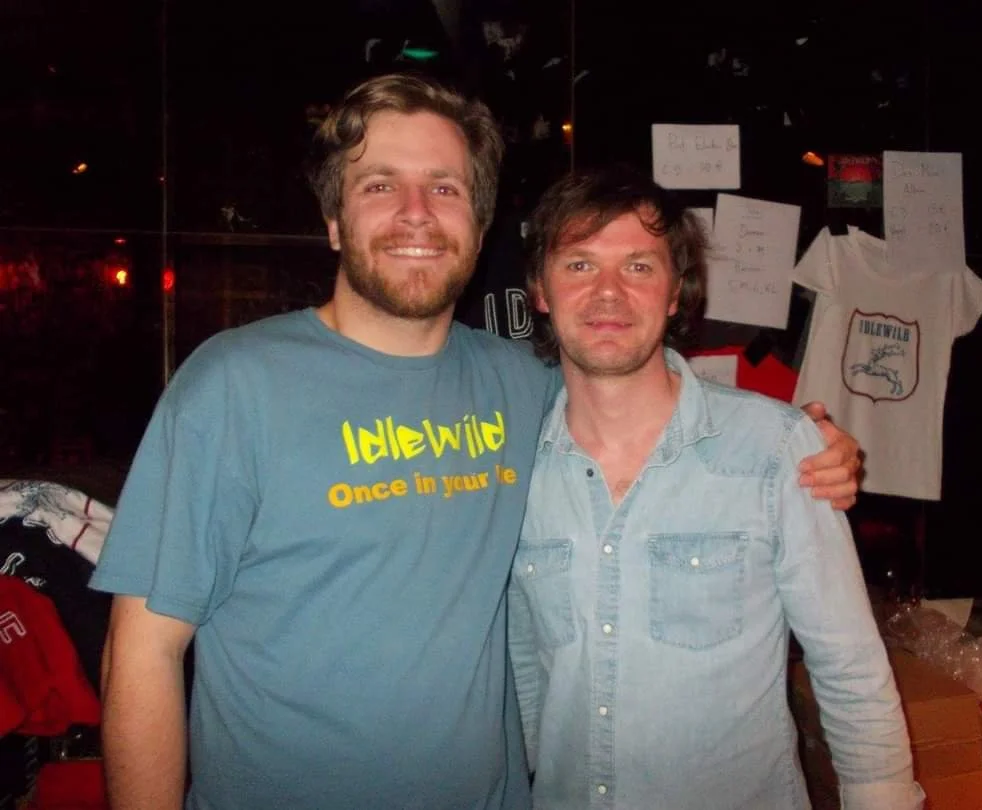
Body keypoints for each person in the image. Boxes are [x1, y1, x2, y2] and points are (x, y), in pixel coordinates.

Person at [90, 74, 861, 810]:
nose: (416, 213)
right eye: (380, 185)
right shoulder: (234, 387)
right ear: (334, 221)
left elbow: (641, 402)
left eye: (445, 187)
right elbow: (143, 652)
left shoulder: (522, 384)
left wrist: (803, 443)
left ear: (479, 225)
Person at [508, 167, 924, 810]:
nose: (609, 292)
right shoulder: (515, 465)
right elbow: (524, 671)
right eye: (580, 265)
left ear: (676, 292)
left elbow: (850, 668)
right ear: (540, 290)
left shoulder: (775, 449)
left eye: (639, 267)